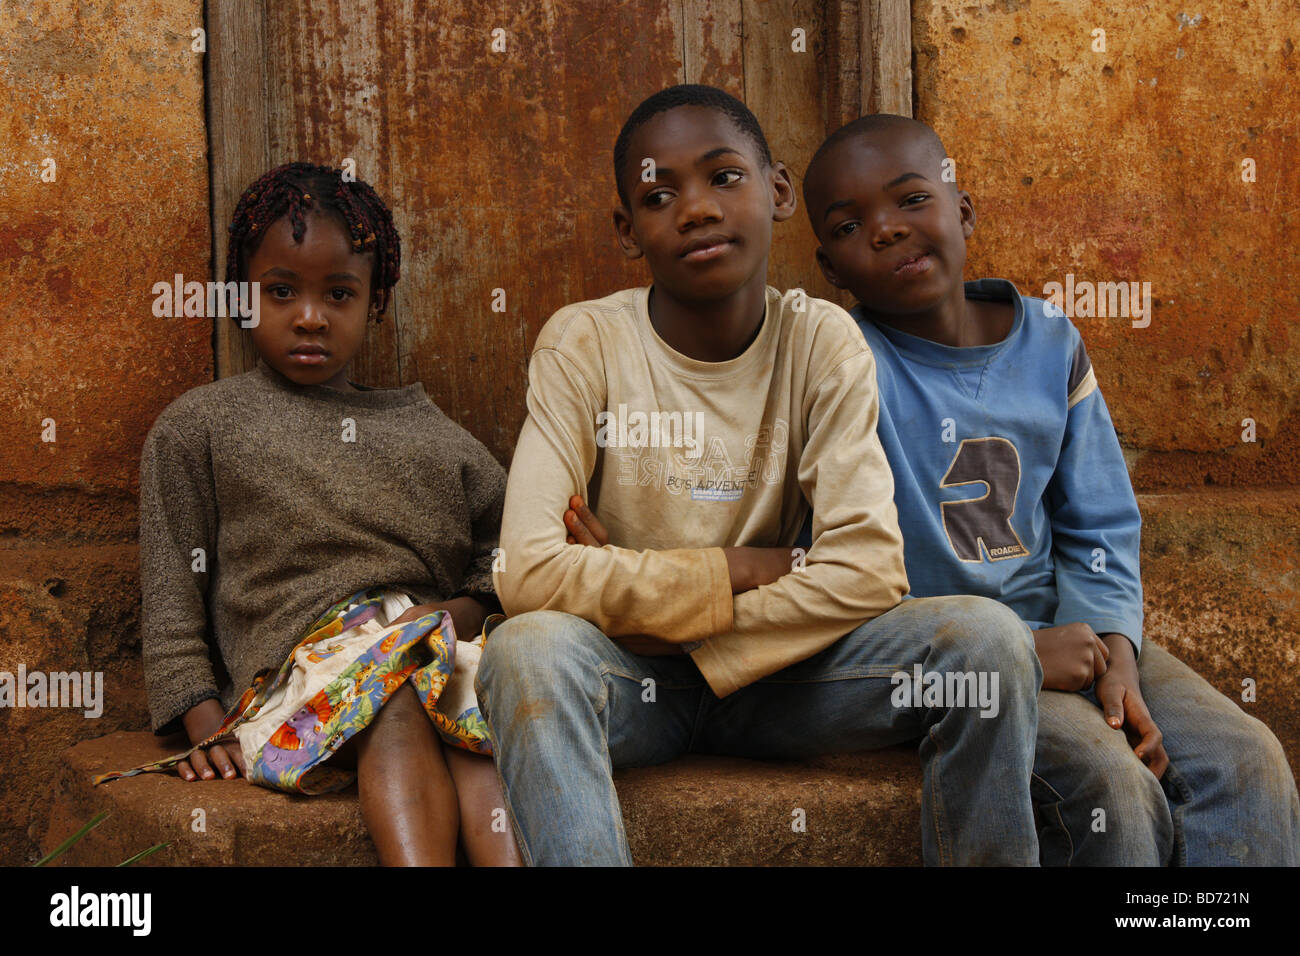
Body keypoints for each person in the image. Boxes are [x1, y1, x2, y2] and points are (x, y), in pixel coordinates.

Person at [477, 85, 1047, 866]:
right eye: (658, 194)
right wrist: (740, 570)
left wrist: (649, 606)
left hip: (788, 681)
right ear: (627, 231)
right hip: (627, 677)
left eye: (725, 177)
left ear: (778, 192)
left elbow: (870, 570)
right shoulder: (585, 343)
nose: (698, 209)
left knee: (987, 642)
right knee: (527, 651)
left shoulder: (822, 341)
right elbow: (528, 572)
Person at [800, 113, 1300, 864]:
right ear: (831, 268)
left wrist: (1116, 649)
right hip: (958, 664)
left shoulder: (1051, 342)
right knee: (1114, 785)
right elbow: (839, 573)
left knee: (1249, 760)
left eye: (911, 200)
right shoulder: (846, 365)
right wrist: (1030, 654)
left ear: (963, 210)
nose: (886, 231)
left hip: (1079, 630)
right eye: (849, 226)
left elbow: (1097, 523)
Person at [107, 162, 520, 867]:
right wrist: (203, 719)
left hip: (432, 648)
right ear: (244, 295)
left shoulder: (436, 440)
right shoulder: (203, 428)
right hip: (296, 680)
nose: (309, 315)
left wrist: (449, 615)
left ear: (374, 302)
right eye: (281, 292)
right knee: (396, 691)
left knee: (473, 718)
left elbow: (510, 562)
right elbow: (173, 587)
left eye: (338, 294)